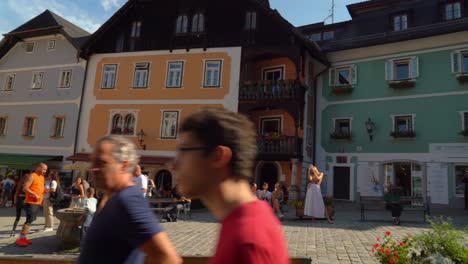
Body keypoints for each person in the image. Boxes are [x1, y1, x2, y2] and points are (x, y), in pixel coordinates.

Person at [174, 108, 290, 264]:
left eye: (183, 151)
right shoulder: (242, 220)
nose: (174, 165)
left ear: (218, 157)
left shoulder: (248, 240)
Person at [78, 135, 181, 264]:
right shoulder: (112, 197)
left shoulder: (128, 200)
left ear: (123, 165)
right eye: (93, 163)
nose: (94, 169)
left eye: (102, 163)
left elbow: (168, 257)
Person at [15, 163, 47, 247]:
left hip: (37, 202)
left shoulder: (42, 177)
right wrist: (34, 194)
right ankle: (21, 239)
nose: (45, 171)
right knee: (29, 220)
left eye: (46, 170)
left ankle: (23, 237)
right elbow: (25, 188)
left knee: (32, 220)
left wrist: (44, 191)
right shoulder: (32, 176)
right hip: (31, 202)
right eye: (44, 169)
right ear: (39, 168)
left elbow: (39, 188)